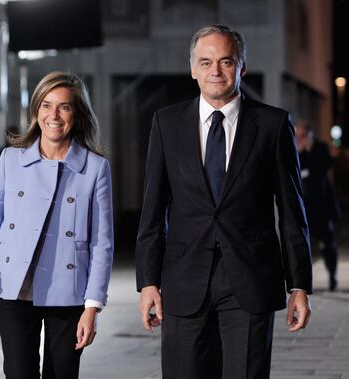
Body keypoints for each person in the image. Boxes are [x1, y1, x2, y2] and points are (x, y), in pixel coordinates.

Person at [135, 25, 312, 379]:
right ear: (193, 69)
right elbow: (152, 210)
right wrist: (148, 282)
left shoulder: (273, 125)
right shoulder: (167, 124)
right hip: (184, 281)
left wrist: (300, 285)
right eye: (205, 62)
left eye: (226, 61)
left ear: (242, 66)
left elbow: (292, 213)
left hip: (250, 280)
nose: (215, 70)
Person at [0, 71, 114, 378]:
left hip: (68, 292)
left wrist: (93, 306)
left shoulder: (95, 169)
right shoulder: (10, 160)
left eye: (64, 106)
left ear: (78, 114)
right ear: (36, 110)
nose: (53, 115)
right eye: (46, 105)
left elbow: (101, 243)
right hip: (14, 287)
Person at [295, 120, 340, 291]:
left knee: (328, 243)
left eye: (302, 134)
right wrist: (299, 153)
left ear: (309, 134)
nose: (300, 138)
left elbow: (327, 165)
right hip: (304, 206)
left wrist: (311, 149)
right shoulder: (295, 149)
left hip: (322, 205)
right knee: (305, 246)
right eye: (297, 135)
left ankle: (332, 275)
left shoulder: (319, 148)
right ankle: (304, 281)